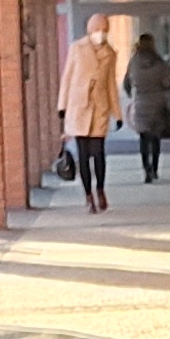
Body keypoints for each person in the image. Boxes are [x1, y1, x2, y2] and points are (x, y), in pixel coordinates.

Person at [55, 15, 122, 210]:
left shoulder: (110, 54)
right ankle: (88, 195)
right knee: (83, 154)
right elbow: (67, 78)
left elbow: (111, 85)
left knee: (98, 152)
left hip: (99, 108)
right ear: (90, 30)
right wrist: (62, 106)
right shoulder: (77, 48)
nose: (100, 34)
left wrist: (117, 114)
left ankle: (100, 189)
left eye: (103, 30)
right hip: (78, 107)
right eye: (97, 30)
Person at [124, 30, 170, 183]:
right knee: (156, 138)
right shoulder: (159, 62)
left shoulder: (134, 61)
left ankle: (146, 170)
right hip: (157, 102)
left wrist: (132, 95)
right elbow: (167, 83)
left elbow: (126, 83)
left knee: (144, 138)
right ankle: (155, 168)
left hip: (141, 103)